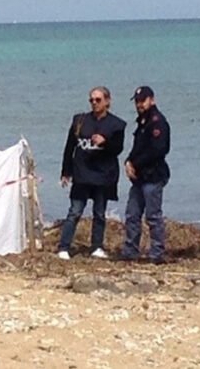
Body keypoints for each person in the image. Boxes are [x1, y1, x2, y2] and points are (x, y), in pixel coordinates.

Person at [57, 86, 126, 260]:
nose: (94, 103)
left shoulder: (116, 125)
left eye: (98, 100)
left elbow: (118, 149)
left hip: (103, 175)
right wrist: (66, 171)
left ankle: (96, 246)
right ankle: (64, 247)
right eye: (91, 100)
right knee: (75, 211)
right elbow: (69, 147)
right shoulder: (80, 121)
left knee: (100, 213)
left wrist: (105, 141)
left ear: (107, 101)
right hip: (81, 174)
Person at [119, 86, 171, 264]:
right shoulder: (142, 121)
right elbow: (138, 148)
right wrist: (128, 161)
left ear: (152, 100)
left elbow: (158, 150)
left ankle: (157, 254)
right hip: (139, 178)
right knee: (132, 215)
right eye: (137, 101)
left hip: (154, 176)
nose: (139, 104)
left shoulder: (157, 122)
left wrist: (135, 163)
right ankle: (130, 251)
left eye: (143, 100)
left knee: (153, 216)